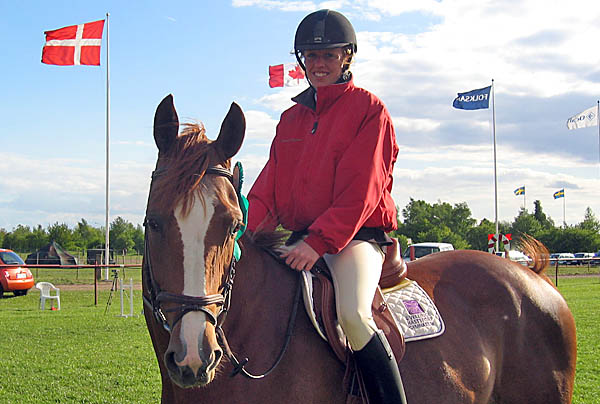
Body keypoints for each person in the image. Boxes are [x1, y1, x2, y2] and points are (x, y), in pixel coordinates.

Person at [247, 9, 406, 404]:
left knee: (353, 315)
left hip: (354, 238)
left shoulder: (370, 110)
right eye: (311, 56)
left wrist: (318, 243)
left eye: (329, 55)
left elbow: (362, 191)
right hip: (300, 237)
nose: (319, 64)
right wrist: (242, 234)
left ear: (346, 57)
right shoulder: (290, 119)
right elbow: (268, 188)